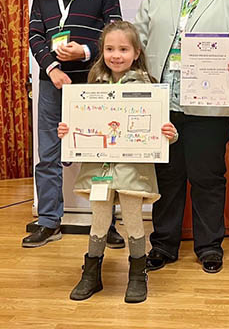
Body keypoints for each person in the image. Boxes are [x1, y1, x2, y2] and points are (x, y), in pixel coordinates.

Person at [134, 0, 229, 274]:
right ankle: (163, 245)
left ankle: (209, 247)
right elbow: (137, 37)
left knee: (207, 176)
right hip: (163, 102)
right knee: (167, 177)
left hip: (209, 102)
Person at [60, 20, 178, 304]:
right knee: (99, 222)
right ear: (102, 52)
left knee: (134, 223)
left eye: (123, 49)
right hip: (99, 171)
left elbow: (162, 132)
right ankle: (91, 274)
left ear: (136, 52)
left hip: (133, 171)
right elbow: (80, 124)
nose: (116, 55)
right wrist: (67, 131)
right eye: (110, 49)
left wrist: (169, 135)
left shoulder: (149, 88)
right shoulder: (92, 85)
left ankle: (138, 274)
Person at [24, 0, 123, 248]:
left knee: (99, 155)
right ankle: (50, 220)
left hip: (92, 81)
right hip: (53, 82)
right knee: (48, 155)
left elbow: (115, 33)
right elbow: (34, 35)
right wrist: (52, 67)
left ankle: (105, 222)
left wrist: (84, 51)